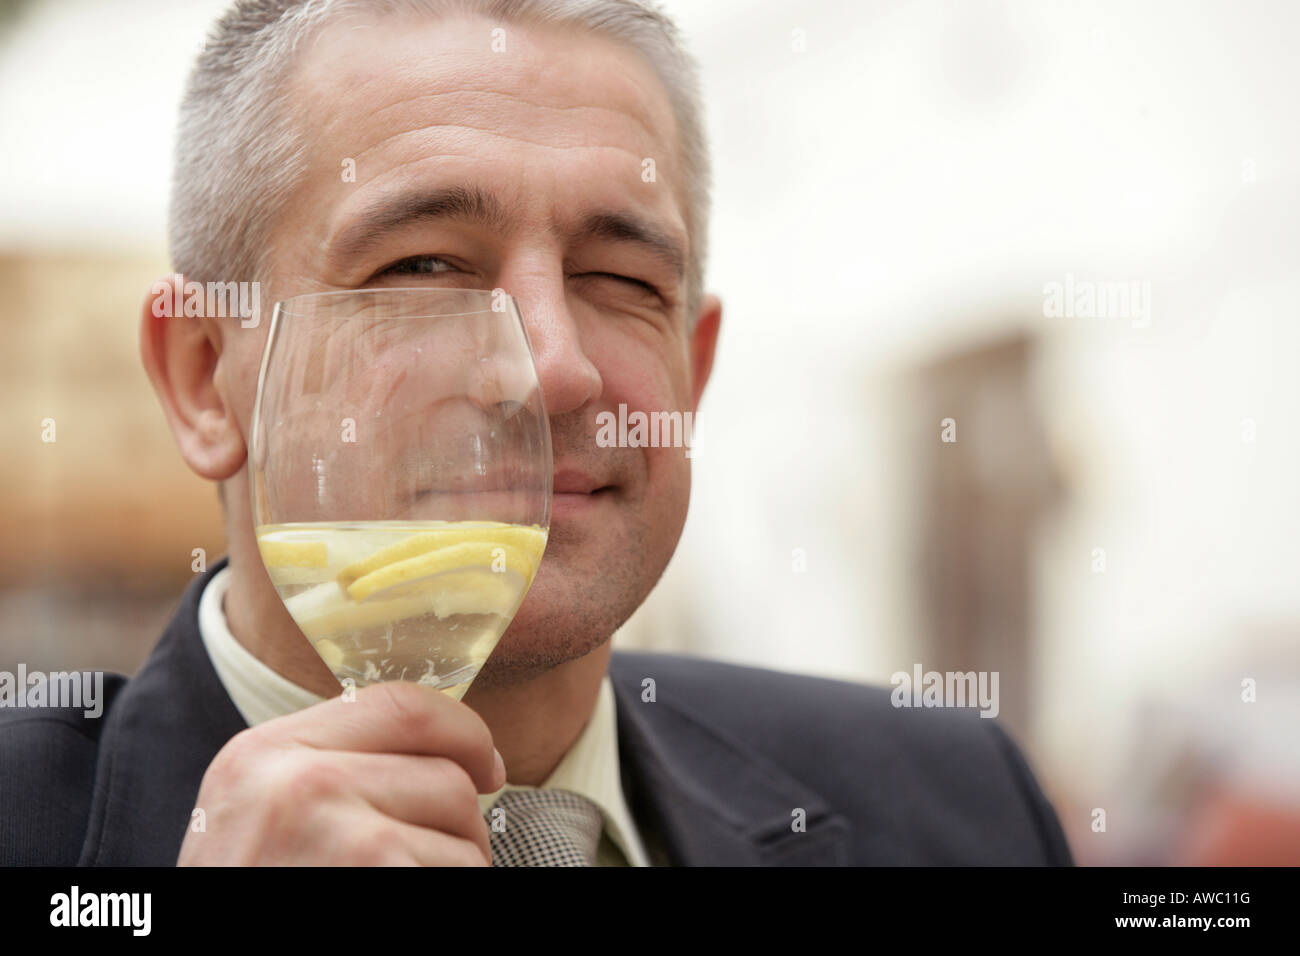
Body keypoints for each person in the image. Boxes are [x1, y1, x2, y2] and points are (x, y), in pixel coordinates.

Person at [0, 0, 1073, 866]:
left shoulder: (953, 806)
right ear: (203, 376)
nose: (552, 367)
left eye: (618, 279)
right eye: (423, 268)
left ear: (690, 373)